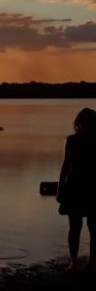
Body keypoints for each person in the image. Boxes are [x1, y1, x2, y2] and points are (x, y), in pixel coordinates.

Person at [56, 107, 96, 271]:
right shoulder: (71, 140)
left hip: (92, 187)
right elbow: (65, 165)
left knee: (93, 227)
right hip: (74, 187)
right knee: (75, 226)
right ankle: (74, 262)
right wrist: (60, 187)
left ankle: (91, 263)